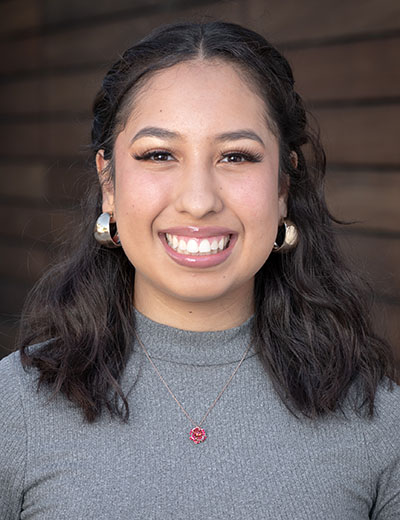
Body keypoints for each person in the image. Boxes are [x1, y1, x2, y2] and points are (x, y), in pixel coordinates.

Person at [0, 20, 399, 519]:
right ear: (109, 183)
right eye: (159, 154)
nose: (198, 200)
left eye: (235, 156)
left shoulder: (380, 423)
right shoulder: (12, 410)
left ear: (282, 186)